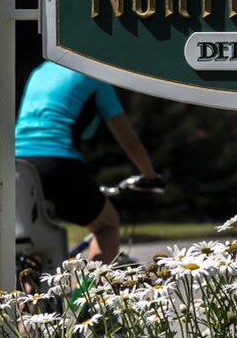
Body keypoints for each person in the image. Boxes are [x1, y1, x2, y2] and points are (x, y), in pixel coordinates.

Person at [15, 61, 163, 263]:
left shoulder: (39, 71)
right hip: (58, 163)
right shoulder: (94, 74)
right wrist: (150, 176)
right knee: (107, 225)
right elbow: (129, 140)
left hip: (16, 163)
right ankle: (94, 292)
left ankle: (31, 287)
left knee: (30, 237)